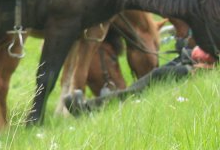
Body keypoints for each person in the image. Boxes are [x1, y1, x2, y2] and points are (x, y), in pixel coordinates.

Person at [65, 45, 217, 115]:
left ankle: (89, 108)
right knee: (155, 75)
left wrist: (208, 68)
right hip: (191, 56)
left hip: (202, 68)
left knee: (157, 76)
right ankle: (103, 102)